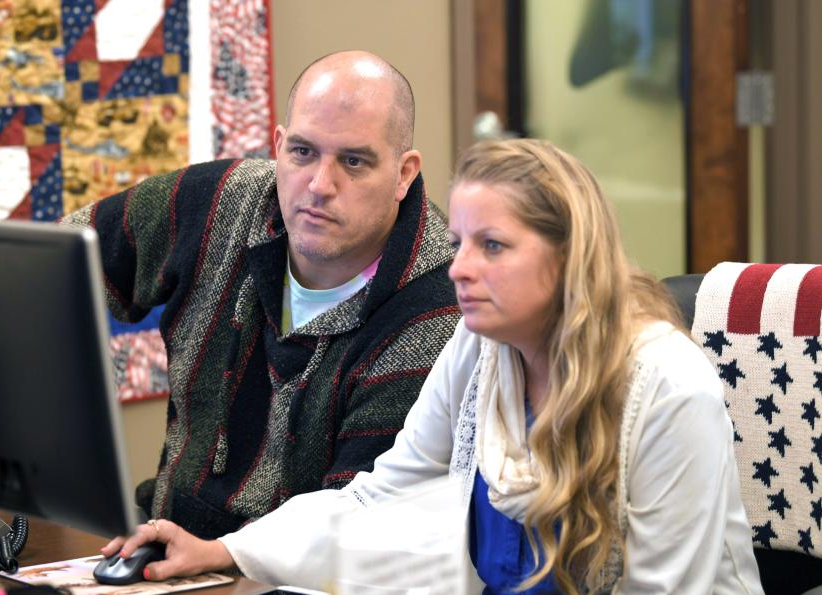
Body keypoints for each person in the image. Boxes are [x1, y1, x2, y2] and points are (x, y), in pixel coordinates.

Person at [106, 139, 765, 594]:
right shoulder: (482, 349)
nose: (459, 269)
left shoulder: (666, 385)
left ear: (570, 257)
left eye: (493, 245)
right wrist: (224, 550)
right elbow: (377, 494)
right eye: (458, 243)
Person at [63, 50, 460, 539]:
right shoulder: (218, 202)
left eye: (353, 162)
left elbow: (357, 532)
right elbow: (52, 263)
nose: (319, 185)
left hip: (306, 580)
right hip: (159, 540)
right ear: (277, 146)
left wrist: (222, 558)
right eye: (302, 152)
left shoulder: (435, 313)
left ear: (404, 174)